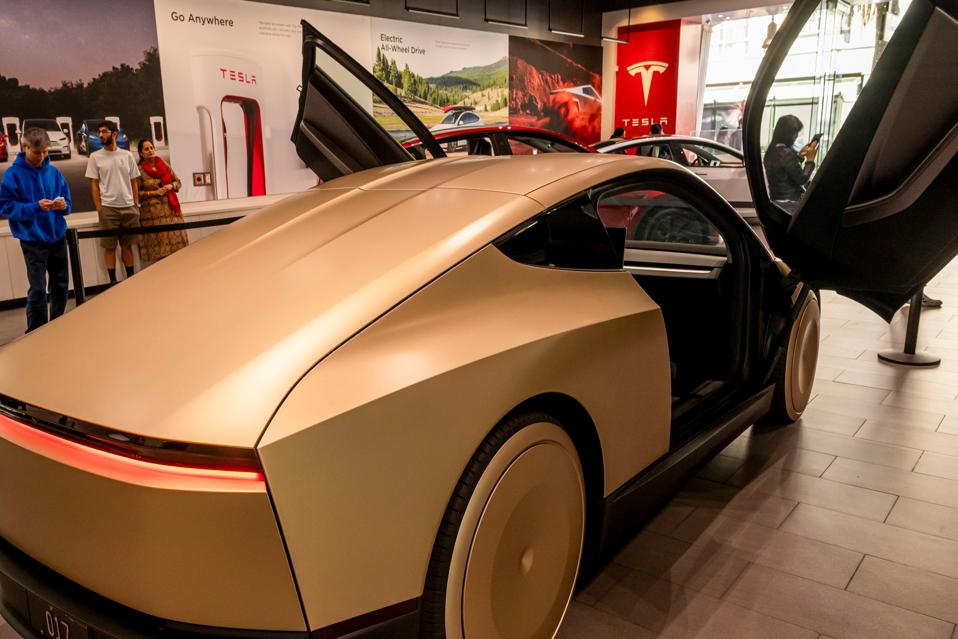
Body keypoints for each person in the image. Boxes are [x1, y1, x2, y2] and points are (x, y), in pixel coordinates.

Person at [0, 128, 71, 332]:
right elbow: (6, 207)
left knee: (60, 284)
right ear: (25, 147)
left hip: (57, 236)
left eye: (45, 152)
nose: (42, 157)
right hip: (33, 241)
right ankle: (36, 332)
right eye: (36, 152)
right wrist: (34, 207)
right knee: (38, 288)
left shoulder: (54, 172)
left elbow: (68, 202)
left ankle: (58, 325)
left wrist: (63, 205)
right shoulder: (13, 175)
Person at [85, 120, 140, 284]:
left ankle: (130, 280)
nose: (100, 135)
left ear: (114, 133)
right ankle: (112, 282)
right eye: (99, 132)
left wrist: (136, 204)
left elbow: (134, 181)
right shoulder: (95, 157)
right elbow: (94, 183)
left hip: (129, 207)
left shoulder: (127, 155)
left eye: (104, 131)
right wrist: (99, 207)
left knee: (127, 246)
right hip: (108, 208)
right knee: (110, 247)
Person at [135, 139, 188, 263]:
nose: (150, 151)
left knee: (176, 249)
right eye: (146, 149)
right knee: (160, 249)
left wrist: (171, 186)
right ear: (141, 153)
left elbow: (178, 182)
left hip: (171, 213)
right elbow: (135, 194)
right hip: (152, 217)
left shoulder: (163, 164)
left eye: (152, 148)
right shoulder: (139, 170)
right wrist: (153, 193)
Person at [763, 114, 817, 212]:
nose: (796, 136)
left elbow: (784, 169)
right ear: (788, 134)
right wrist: (810, 160)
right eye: (795, 132)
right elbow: (802, 179)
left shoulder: (771, 151)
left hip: (777, 200)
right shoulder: (786, 153)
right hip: (791, 203)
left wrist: (799, 156)